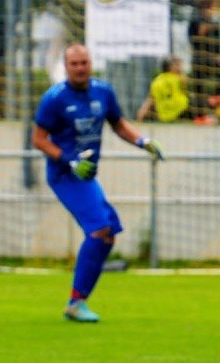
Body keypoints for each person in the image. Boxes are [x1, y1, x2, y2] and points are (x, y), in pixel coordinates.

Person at [32, 43, 164, 323]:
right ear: (66, 67)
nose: (80, 68)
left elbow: (118, 124)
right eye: (74, 64)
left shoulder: (103, 91)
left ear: (91, 64)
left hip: (87, 176)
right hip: (65, 175)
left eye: (84, 63)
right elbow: (38, 139)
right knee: (99, 229)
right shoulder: (54, 99)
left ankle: (78, 302)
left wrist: (143, 141)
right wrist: (68, 160)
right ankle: (76, 303)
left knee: (108, 234)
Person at [187, 0, 220, 113]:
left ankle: (216, 106)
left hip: (213, 58)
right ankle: (200, 114)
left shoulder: (215, 21)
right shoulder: (195, 20)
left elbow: (218, 40)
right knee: (199, 86)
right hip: (199, 57)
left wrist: (219, 54)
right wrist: (203, 30)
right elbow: (192, 39)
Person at [137, 56, 190, 123]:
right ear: (170, 67)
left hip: (163, 115)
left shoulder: (157, 80)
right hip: (180, 111)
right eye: (178, 65)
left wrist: (140, 116)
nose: (180, 68)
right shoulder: (179, 79)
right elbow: (186, 90)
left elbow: (150, 100)